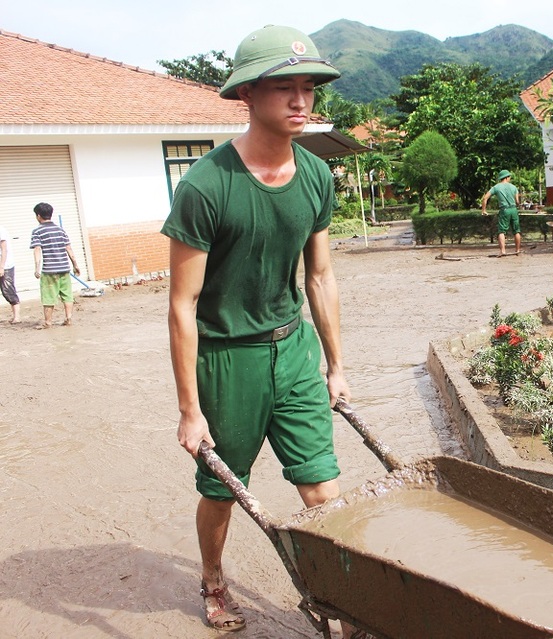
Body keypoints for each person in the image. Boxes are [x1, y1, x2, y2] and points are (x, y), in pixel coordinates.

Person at [161, 25, 364, 637]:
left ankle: (341, 602)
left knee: (324, 490)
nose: (301, 101)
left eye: (308, 87)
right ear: (247, 95)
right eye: (284, 88)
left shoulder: (316, 176)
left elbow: (321, 277)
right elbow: (181, 305)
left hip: (293, 348)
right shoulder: (206, 186)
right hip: (228, 360)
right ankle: (214, 579)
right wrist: (189, 410)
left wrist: (335, 365)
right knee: (223, 490)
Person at [30, 202, 81, 328]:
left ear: (38, 215)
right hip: (64, 269)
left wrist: (37, 268)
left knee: (48, 296)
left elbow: (37, 250)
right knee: (67, 294)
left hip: (49, 271)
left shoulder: (37, 231)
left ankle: (48, 322)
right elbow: (69, 248)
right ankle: (68, 318)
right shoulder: (60, 230)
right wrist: (75, 265)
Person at [481, 169, 522, 257]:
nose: (510, 178)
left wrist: (484, 210)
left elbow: (485, 198)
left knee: (501, 231)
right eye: (509, 177)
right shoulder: (514, 187)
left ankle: (503, 251)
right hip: (514, 209)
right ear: (507, 177)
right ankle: (517, 250)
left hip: (504, 210)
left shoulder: (496, 187)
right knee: (516, 231)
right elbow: (517, 201)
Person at [0, 224, 21, 324]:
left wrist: (2, 266)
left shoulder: (1, 230)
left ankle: (17, 316)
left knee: (8, 290)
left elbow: (4, 249)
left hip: (5, 265)